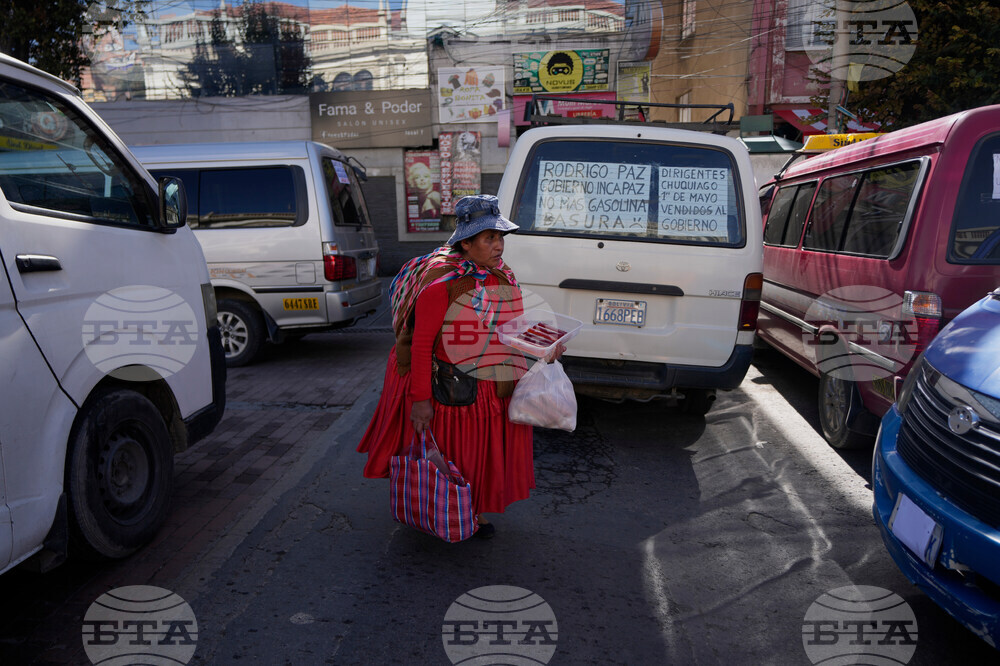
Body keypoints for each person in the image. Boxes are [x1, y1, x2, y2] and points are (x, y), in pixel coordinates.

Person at [357, 194, 563, 539]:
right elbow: (422, 346)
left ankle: (474, 511)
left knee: (482, 453)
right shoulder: (442, 285)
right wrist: (420, 400)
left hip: (489, 384)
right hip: (450, 388)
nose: (498, 245)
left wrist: (546, 345)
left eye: (500, 237)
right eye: (489, 238)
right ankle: (447, 509)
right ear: (466, 243)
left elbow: (514, 328)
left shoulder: (502, 276)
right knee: (457, 453)